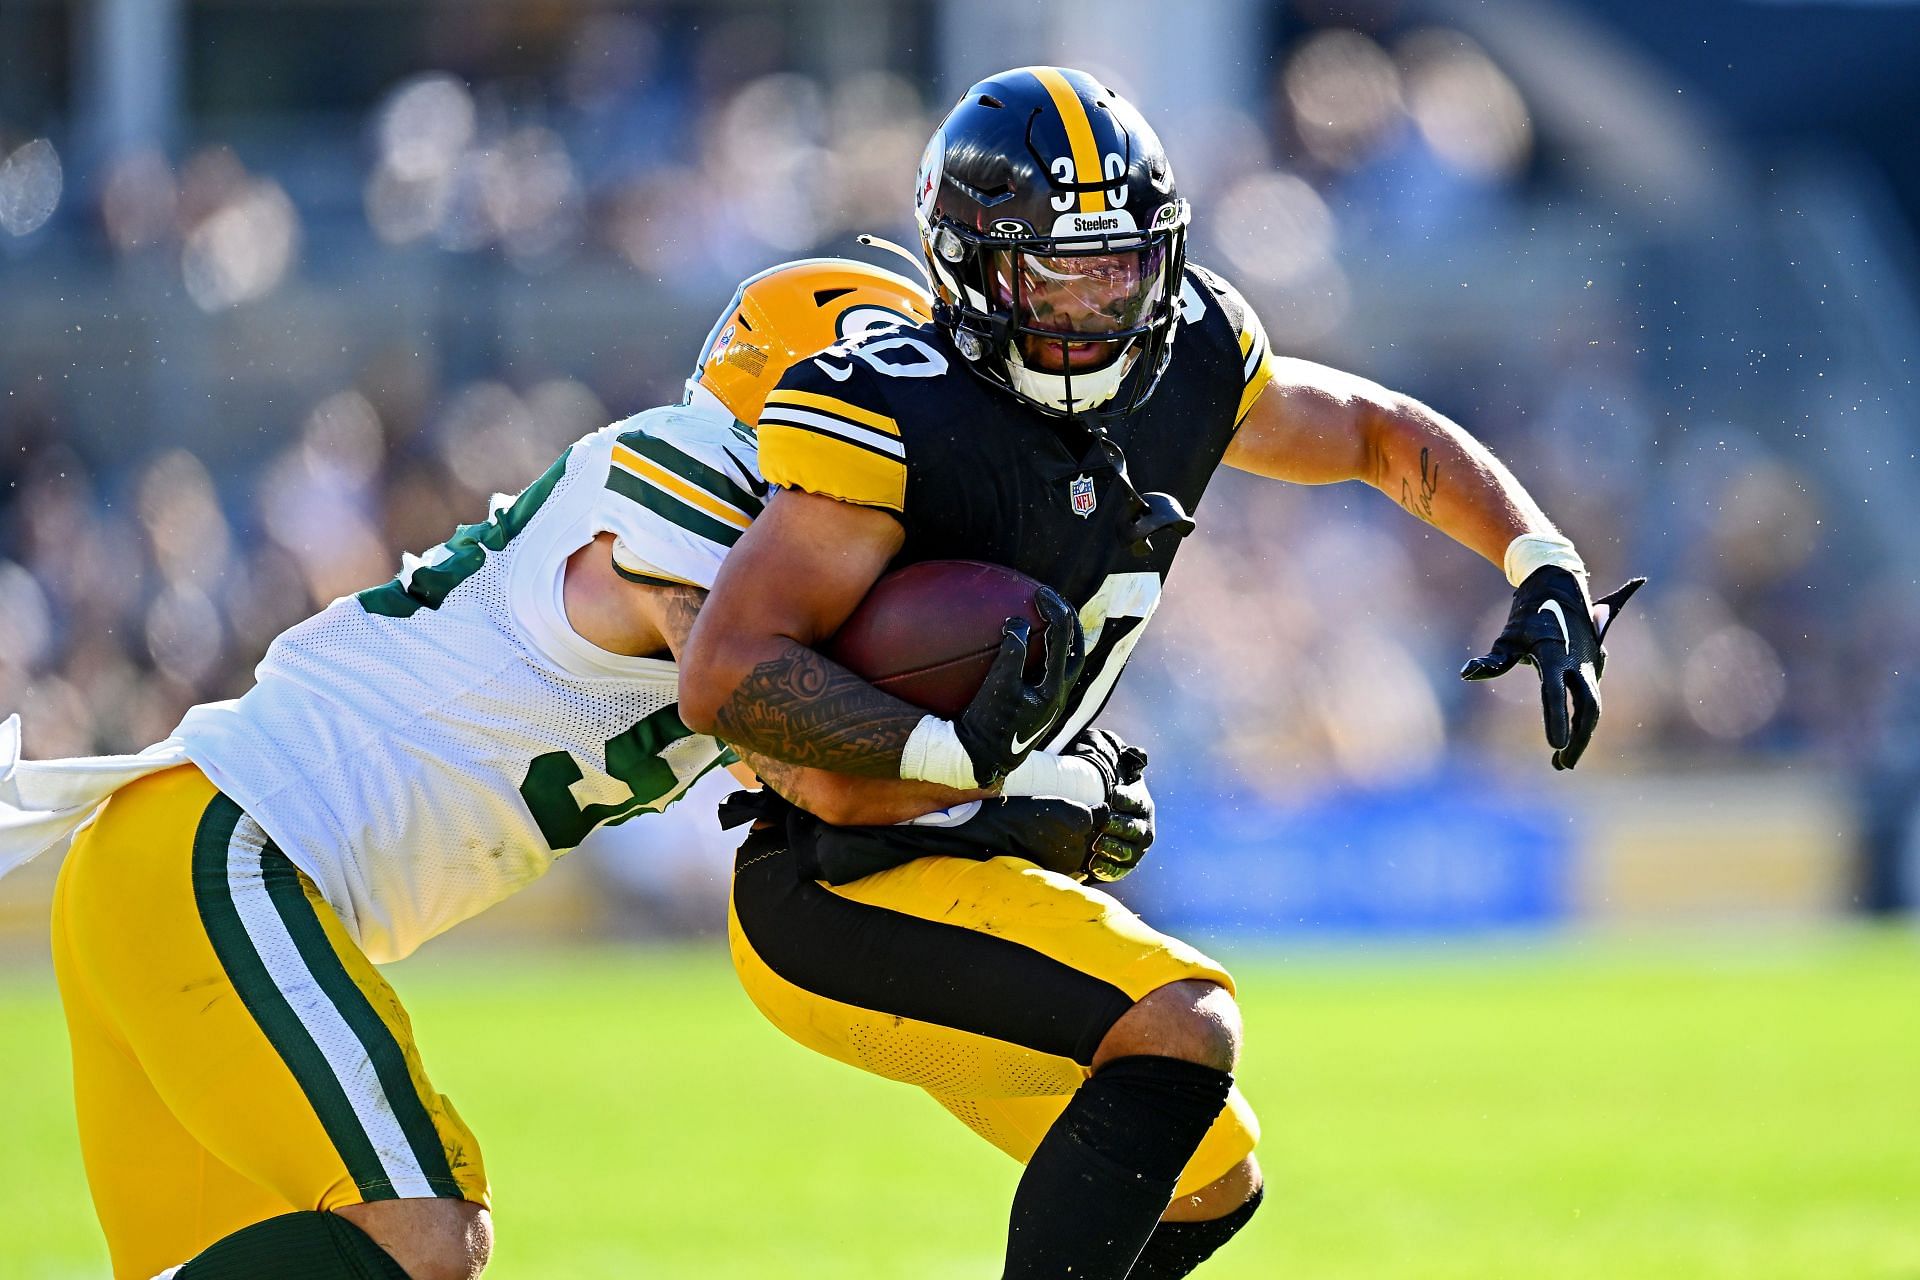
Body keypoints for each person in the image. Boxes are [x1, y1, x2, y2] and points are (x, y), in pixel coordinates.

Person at [676, 65, 1642, 1279]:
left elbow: (1370, 432)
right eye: (1060, 269)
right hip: (837, 880)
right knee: (1184, 1022)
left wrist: (1537, 553)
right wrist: (987, 774)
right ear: (973, 267)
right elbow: (728, 676)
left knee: (1203, 1177)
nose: (1096, 303)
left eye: (1122, 265)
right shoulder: (897, 412)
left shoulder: (1188, 354)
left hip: (968, 850)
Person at [0, 257, 1131, 1280]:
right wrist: (1019, 787)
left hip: (162, 867)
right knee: (425, 1230)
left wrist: (1017, 789)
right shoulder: (690, 472)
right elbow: (788, 743)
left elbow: (829, 785)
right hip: (222, 852)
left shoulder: (770, 562)